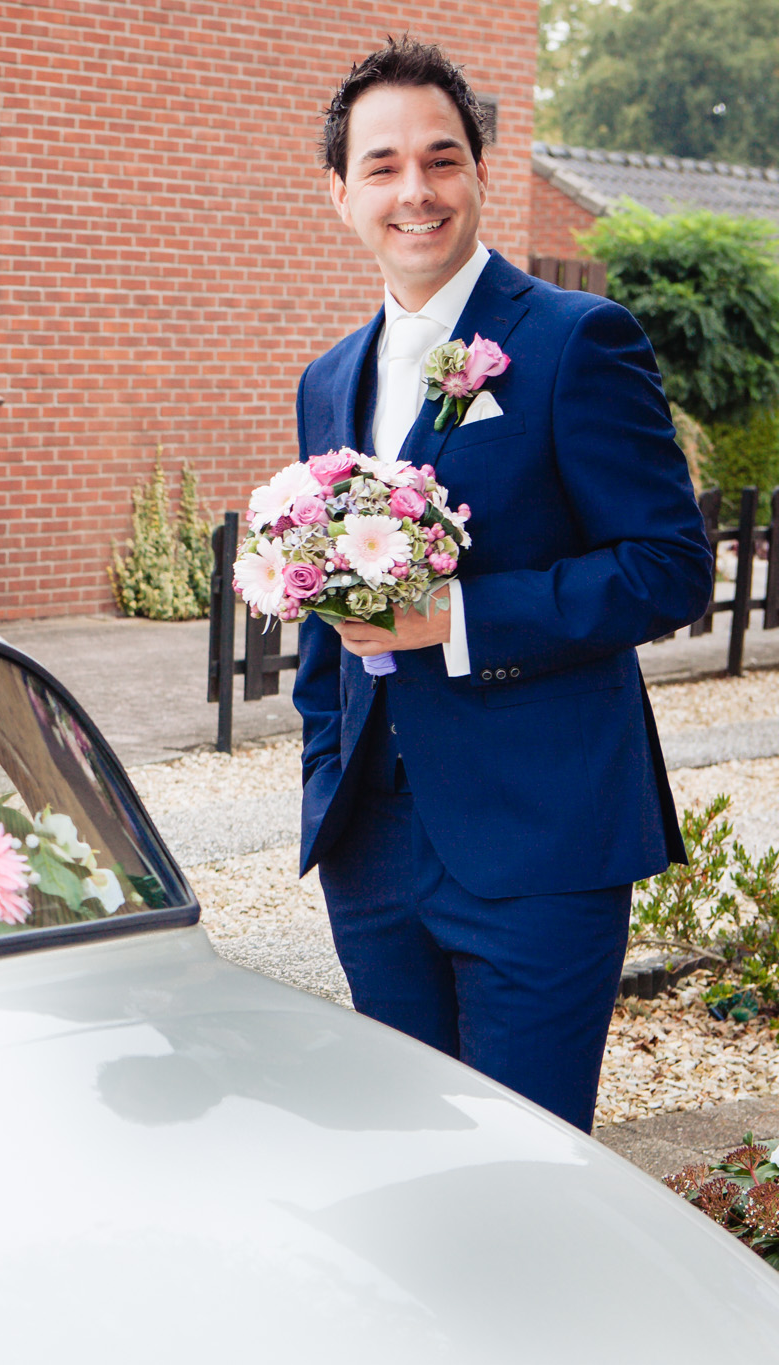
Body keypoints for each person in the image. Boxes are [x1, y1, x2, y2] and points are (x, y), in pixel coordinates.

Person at [291, 38, 713, 1131]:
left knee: (524, 1167)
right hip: (371, 851)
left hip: (539, 845)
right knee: (405, 1150)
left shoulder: (578, 341)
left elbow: (667, 566)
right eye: (380, 167)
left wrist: (460, 619)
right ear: (338, 193)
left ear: (479, 173)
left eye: (440, 159)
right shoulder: (326, 378)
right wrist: (324, 778)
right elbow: (322, 606)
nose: (414, 191)